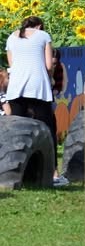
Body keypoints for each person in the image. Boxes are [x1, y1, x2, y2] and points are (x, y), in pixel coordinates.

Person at [6, 16, 68, 186]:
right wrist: (50, 79)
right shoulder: (43, 36)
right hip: (37, 87)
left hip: (15, 88)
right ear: (39, 26)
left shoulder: (11, 38)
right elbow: (48, 65)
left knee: (16, 130)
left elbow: (12, 65)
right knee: (47, 128)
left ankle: (15, 174)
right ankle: (54, 174)